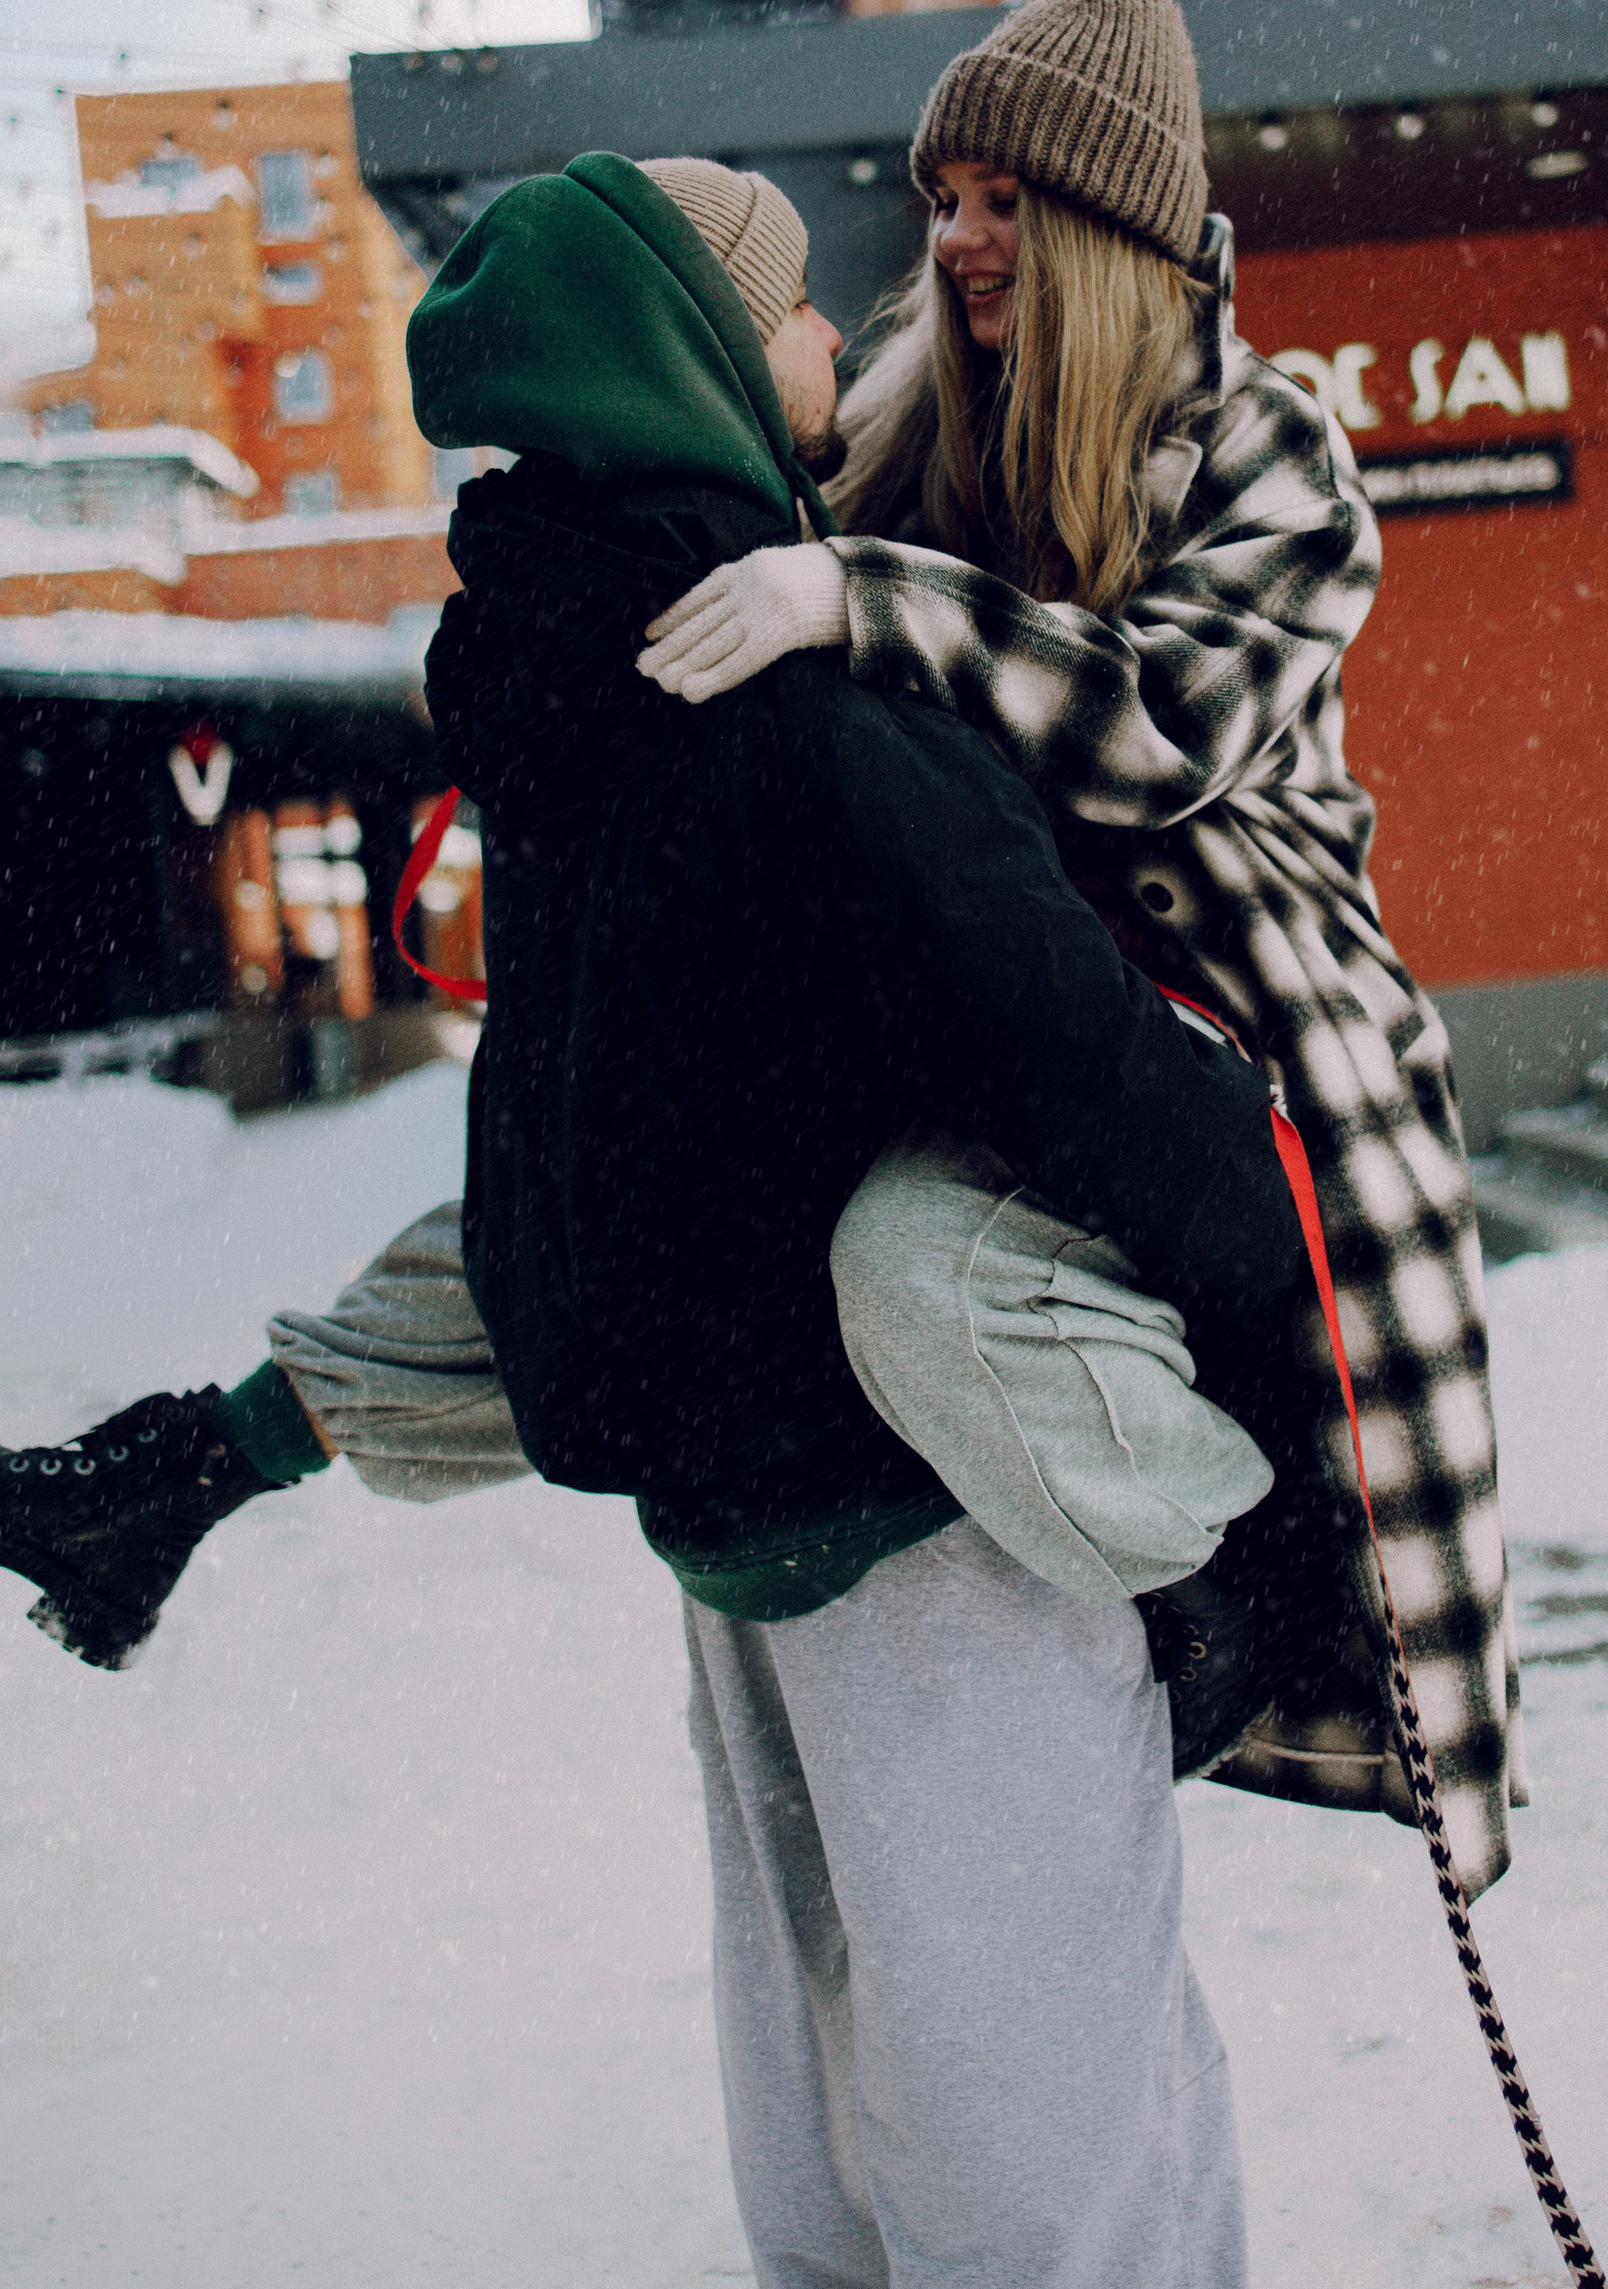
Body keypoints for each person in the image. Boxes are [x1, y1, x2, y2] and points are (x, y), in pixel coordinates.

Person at [10, 0, 1525, 1880]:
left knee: (925, 1266)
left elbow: (1164, 728)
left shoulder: (1262, 447)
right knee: (614, 1216)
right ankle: (192, 1459)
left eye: (1002, 200)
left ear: (1109, 224)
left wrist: (867, 602)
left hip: (1242, 1010)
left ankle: (1269, 1569)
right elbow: (736, 551)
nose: (953, 239)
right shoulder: (907, 427)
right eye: (945, 196)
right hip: (978, 990)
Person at [3, 148, 1347, 2282]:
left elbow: (590, 1175)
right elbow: (1088, 1074)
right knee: (1042, 2134)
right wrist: (1292, 1436)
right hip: (928, 1527)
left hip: (734, 1531)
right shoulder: (794, 718)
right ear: (695, 355)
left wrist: (250, 1437)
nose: (832, 336)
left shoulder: (557, 692)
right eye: (791, 305)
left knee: (831, 2103)